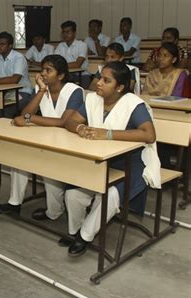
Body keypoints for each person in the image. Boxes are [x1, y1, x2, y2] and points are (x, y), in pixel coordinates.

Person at [64, 61, 160, 257]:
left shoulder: (133, 104)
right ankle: (76, 232)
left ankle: (84, 237)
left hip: (130, 163)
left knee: (110, 195)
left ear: (119, 87)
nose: (98, 83)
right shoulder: (93, 99)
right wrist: (80, 128)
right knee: (72, 194)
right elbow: (71, 121)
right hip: (101, 159)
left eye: (106, 80)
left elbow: (149, 135)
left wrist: (107, 134)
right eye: (100, 78)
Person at [0, 55, 84, 215]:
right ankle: (14, 203)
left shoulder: (75, 91)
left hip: (70, 143)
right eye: (42, 69)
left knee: (48, 169)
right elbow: (25, 113)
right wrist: (42, 90)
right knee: (19, 159)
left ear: (61, 75)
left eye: (48, 70)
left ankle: (54, 211)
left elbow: (64, 122)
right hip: (46, 138)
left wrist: (31, 119)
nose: (43, 73)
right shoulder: (40, 89)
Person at [0, 31, 33, 114]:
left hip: (22, 92)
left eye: (2, 44)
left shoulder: (18, 57)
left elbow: (15, 79)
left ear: (10, 46)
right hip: (5, 92)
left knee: (7, 110)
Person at [54, 20, 90, 87]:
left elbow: (77, 64)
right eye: (63, 32)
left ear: (74, 33)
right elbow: (55, 62)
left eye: (68, 32)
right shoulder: (60, 45)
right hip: (65, 75)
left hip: (81, 75)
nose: (65, 35)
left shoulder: (82, 45)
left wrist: (60, 66)